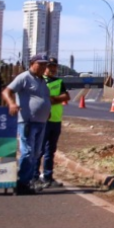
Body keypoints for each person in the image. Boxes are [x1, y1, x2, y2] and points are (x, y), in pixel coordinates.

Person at [2, 54, 53, 194]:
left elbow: (43, 98)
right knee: (28, 151)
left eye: (45, 65)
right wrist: (12, 104)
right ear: (32, 63)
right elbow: (7, 91)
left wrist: (47, 110)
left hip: (41, 122)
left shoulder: (42, 81)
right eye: (40, 64)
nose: (43, 67)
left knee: (36, 153)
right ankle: (21, 182)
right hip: (28, 122)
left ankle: (28, 181)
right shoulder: (24, 77)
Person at [41, 58, 70, 187]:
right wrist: (55, 99)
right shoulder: (40, 80)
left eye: (54, 66)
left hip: (56, 120)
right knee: (39, 150)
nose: (52, 69)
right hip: (43, 119)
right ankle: (34, 176)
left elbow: (66, 97)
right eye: (49, 66)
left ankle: (48, 177)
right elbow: (42, 99)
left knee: (50, 151)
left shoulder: (59, 81)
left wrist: (52, 99)